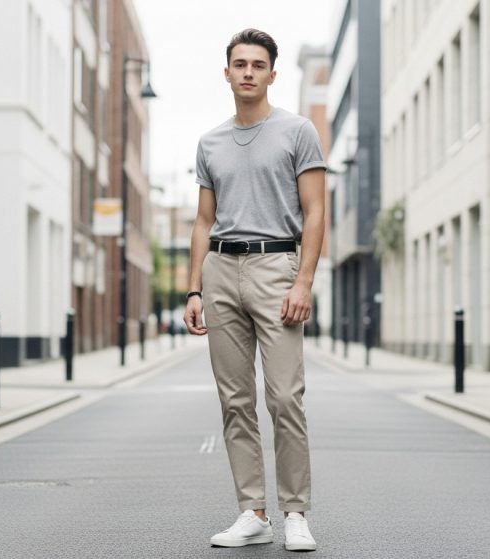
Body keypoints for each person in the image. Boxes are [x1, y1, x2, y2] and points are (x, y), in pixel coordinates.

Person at [184, 28, 326, 552]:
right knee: (235, 400)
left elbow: (315, 213)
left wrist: (303, 280)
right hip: (221, 267)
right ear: (227, 73)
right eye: (239, 64)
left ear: (271, 73)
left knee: (285, 396)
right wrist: (194, 288)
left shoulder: (297, 132)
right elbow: (203, 220)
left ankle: (295, 512)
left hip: (276, 266)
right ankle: (253, 511)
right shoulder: (210, 142)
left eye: (257, 64)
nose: (248, 72)